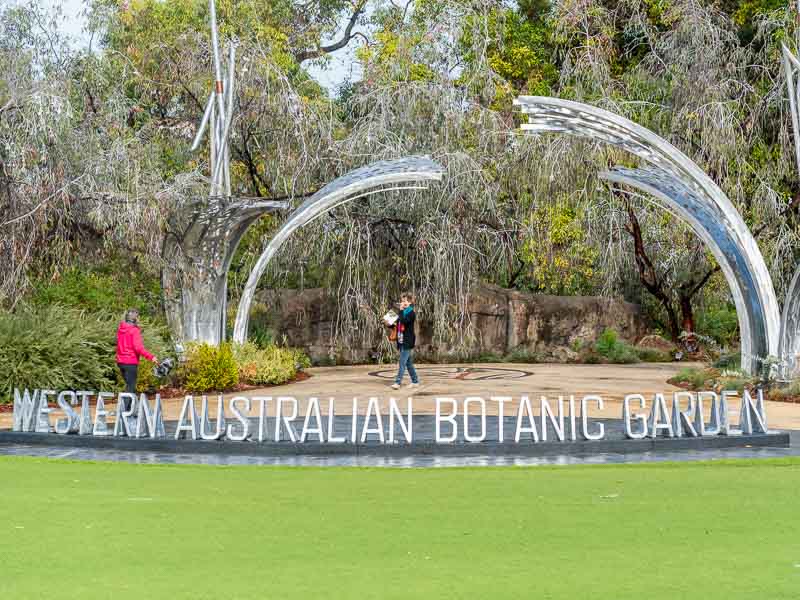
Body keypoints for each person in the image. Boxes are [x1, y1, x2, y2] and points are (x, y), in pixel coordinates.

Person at [116, 309, 158, 412]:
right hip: (130, 362)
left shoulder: (121, 329)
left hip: (121, 362)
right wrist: (151, 357)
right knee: (130, 387)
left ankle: (132, 409)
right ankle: (124, 411)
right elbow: (138, 348)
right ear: (135, 319)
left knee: (130, 386)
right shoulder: (134, 330)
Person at [391, 292, 419, 390]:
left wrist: (400, 310)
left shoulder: (411, 313)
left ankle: (397, 382)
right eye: (402, 301)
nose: (403, 303)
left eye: (406, 301)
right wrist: (387, 321)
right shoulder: (402, 312)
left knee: (402, 362)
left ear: (410, 302)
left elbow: (403, 321)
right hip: (401, 339)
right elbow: (397, 324)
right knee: (408, 363)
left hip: (407, 341)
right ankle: (415, 381)